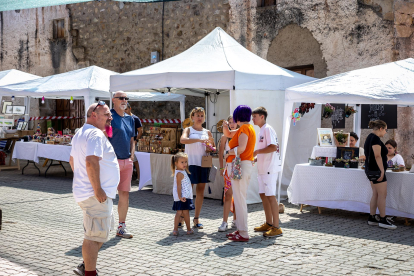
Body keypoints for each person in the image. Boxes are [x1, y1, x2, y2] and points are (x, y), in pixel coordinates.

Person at [70, 102, 120, 276]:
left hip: (89, 193)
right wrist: (96, 188)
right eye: (106, 114)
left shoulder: (80, 133)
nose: (110, 118)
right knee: (94, 236)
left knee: (99, 233)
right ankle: (89, 272)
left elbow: (72, 161)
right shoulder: (95, 133)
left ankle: (86, 266)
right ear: (94, 115)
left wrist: (84, 180)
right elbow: (91, 161)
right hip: (95, 195)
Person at [223, 105, 256, 242]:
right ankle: (241, 229)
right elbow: (229, 134)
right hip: (244, 165)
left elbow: (241, 148)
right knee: (239, 198)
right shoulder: (248, 128)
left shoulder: (244, 128)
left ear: (237, 116)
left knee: (240, 199)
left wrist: (227, 153)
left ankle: (243, 232)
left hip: (240, 165)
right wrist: (226, 127)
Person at [180, 107, 215, 229]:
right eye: (197, 115)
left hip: (203, 164)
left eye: (202, 115)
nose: (200, 118)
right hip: (190, 164)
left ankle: (196, 218)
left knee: (200, 192)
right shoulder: (188, 130)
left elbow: (212, 148)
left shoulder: (208, 132)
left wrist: (209, 147)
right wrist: (199, 140)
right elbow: (183, 140)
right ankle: (182, 217)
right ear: (192, 117)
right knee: (187, 191)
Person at [251, 107, 283, 238]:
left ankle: (276, 227)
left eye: (255, 116)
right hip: (263, 168)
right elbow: (267, 149)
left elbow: (273, 147)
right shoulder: (262, 130)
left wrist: (257, 152)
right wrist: (257, 157)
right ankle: (269, 223)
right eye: (253, 117)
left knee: (270, 197)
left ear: (262, 117)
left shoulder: (268, 129)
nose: (253, 119)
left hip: (270, 168)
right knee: (263, 195)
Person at [109, 91, 136, 239]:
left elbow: (132, 139)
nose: (124, 100)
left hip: (127, 161)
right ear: (114, 100)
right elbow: (104, 138)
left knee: (124, 194)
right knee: (108, 195)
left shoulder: (130, 119)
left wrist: (132, 155)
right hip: (112, 162)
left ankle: (121, 227)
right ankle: (104, 225)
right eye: (121, 98)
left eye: (126, 98)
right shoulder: (109, 117)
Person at [364, 120, 397, 229]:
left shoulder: (370, 137)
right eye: (386, 130)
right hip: (376, 170)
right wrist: (382, 171)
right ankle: (383, 219)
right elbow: (377, 156)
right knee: (382, 195)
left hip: (371, 170)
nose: (386, 132)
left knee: (375, 194)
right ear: (381, 128)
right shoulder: (375, 139)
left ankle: (372, 217)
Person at [217, 115, 237, 232]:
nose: (232, 124)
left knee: (237, 195)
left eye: (234, 122)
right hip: (228, 168)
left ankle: (236, 219)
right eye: (230, 122)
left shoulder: (240, 134)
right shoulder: (225, 136)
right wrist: (221, 168)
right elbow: (220, 153)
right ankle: (224, 221)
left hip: (238, 167)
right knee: (228, 195)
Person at [171, 152, 195, 236]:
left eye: (185, 162)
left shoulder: (182, 171)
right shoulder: (179, 173)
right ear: (176, 163)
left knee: (180, 212)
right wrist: (180, 196)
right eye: (182, 162)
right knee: (185, 213)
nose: (184, 164)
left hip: (183, 196)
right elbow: (178, 186)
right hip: (183, 197)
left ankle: (175, 230)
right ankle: (188, 229)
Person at [125, 103, 143, 180]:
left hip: (133, 142)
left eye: (126, 109)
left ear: (130, 108)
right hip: (125, 142)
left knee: (135, 160)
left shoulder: (135, 118)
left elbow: (140, 131)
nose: (125, 111)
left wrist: (136, 140)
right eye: (124, 109)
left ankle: (139, 177)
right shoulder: (123, 118)